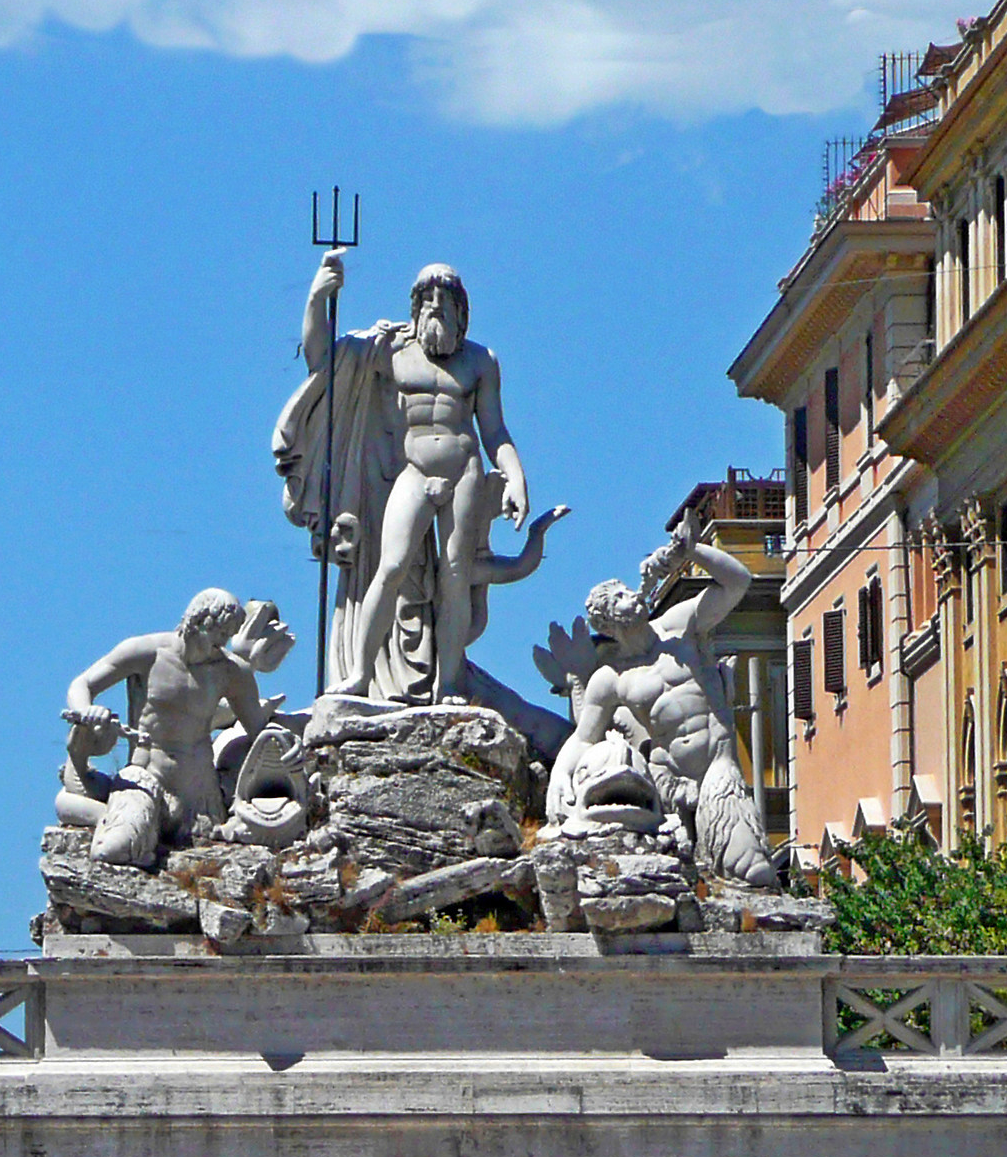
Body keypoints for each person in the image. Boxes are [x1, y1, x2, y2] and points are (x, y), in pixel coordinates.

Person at [273, 253, 531, 703]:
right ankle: (359, 674)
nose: (436, 307)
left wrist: (515, 479)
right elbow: (323, 360)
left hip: (464, 470)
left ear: (461, 311)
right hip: (414, 472)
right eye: (427, 299)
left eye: (445, 300)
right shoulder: (392, 349)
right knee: (389, 567)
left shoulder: (480, 362)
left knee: (454, 575)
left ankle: (449, 683)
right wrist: (317, 296)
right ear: (415, 306)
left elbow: (495, 431)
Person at [548, 527, 778, 888]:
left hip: (716, 767)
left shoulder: (678, 627)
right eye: (620, 597)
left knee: (750, 870)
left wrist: (692, 552)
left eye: (628, 589)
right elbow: (583, 738)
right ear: (608, 621)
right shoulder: (611, 678)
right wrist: (559, 777)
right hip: (665, 783)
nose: (631, 597)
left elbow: (738, 582)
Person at [62, 588, 276, 851]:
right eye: (220, 633)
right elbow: (81, 684)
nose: (223, 642)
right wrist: (86, 711)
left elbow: (261, 734)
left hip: (200, 798)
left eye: (228, 635)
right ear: (198, 622)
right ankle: (106, 814)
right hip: (147, 781)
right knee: (116, 849)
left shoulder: (231, 672)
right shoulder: (147, 652)